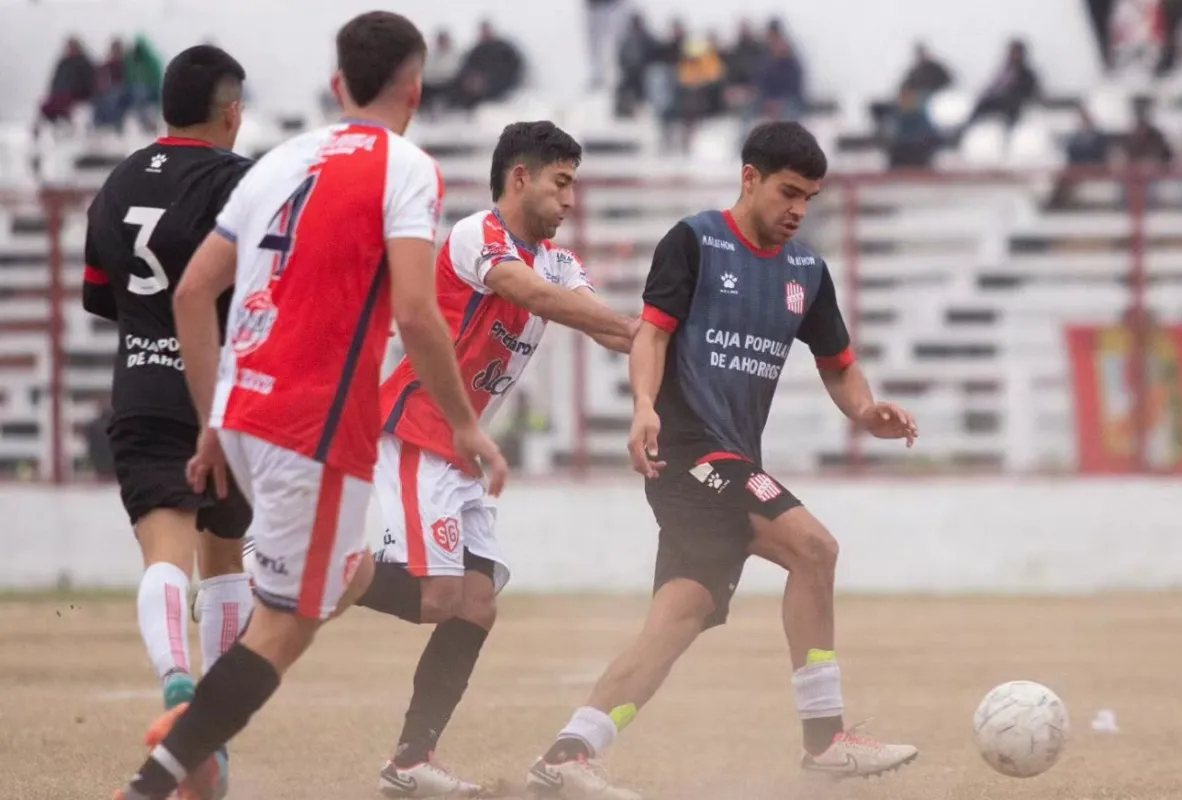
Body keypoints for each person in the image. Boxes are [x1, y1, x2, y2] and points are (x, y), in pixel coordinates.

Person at [112, 12, 509, 800]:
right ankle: (161, 777)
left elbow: (194, 291)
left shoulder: (277, 161)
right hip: (316, 429)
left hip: (248, 414)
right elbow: (419, 314)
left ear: (337, 85)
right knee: (286, 628)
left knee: (344, 577)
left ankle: (188, 750)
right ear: (416, 87)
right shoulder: (406, 167)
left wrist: (213, 422)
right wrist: (466, 426)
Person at [525, 121, 920, 799]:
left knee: (679, 617)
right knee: (814, 548)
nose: (799, 209)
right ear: (750, 178)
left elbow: (839, 365)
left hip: (728, 458)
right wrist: (644, 405)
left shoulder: (806, 272)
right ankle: (826, 740)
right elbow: (652, 335)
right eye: (789, 192)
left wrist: (864, 409)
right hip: (689, 452)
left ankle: (569, 753)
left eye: (810, 198)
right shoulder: (695, 242)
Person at [351, 120, 639, 797]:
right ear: (520, 178)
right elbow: (531, 296)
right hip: (417, 429)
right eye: (560, 182)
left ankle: (410, 759)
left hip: (460, 448)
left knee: (474, 605)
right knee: (437, 596)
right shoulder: (478, 235)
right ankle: (301, 565)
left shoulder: (562, 262)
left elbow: (600, 321)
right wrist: (624, 329)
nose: (571, 200)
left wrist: (658, 339)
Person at [82, 43, 254, 800]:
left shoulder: (117, 181)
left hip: (142, 391)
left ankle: (176, 683)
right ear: (231, 111)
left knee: (164, 552)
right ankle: (204, 730)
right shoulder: (239, 181)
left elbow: (101, 297)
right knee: (225, 559)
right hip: (221, 395)